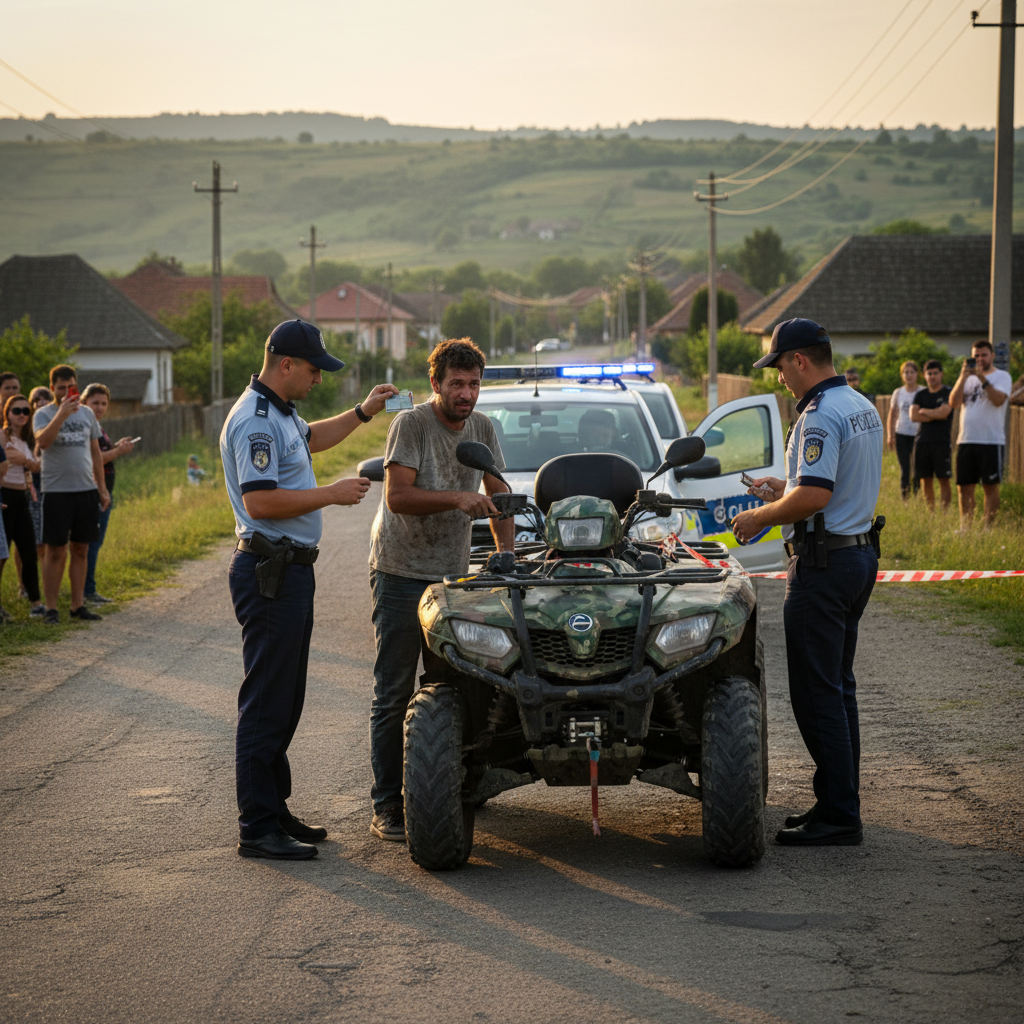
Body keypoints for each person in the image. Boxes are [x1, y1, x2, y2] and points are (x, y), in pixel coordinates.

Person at [221, 318, 397, 861]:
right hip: (269, 570)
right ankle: (257, 826)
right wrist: (331, 494)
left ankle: (274, 808)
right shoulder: (254, 420)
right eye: (315, 369)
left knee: (287, 697)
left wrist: (365, 411)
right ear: (286, 364)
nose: (319, 379)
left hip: (290, 570)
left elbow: (312, 438)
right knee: (267, 702)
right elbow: (261, 502)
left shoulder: (280, 413)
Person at [731, 318, 883, 848]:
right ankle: (838, 803)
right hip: (856, 554)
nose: (778, 379)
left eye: (778, 367)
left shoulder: (818, 417)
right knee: (838, 690)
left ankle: (839, 814)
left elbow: (815, 497)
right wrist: (784, 488)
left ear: (800, 360)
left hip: (822, 567)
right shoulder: (860, 405)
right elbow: (824, 487)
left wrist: (762, 516)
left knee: (818, 694)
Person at [367, 338, 513, 842]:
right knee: (394, 693)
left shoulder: (484, 428)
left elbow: (501, 497)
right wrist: (457, 497)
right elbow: (398, 496)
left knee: (461, 684)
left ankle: (454, 787)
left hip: (455, 576)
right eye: (456, 384)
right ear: (436, 384)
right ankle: (387, 803)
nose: (466, 393)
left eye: (474, 384)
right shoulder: (410, 425)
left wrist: (505, 558)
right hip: (402, 570)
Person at [33, 366, 110, 625]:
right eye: (62, 387)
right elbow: (42, 443)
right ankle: (51, 608)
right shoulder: (44, 414)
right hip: (56, 491)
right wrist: (62, 414)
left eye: (72, 387)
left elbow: (96, 453)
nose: (68, 392)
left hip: (85, 490)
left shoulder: (87, 414)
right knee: (55, 550)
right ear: (53, 387)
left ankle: (77, 605)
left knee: (81, 548)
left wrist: (101, 488)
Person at [80, 383, 135, 604]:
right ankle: (87, 591)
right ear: (84, 403)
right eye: (95, 403)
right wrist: (118, 451)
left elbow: (103, 452)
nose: (100, 407)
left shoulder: (98, 427)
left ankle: (87, 589)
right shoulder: (84, 427)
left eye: (104, 403)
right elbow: (93, 459)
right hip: (93, 492)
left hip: (104, 492)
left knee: (95, 543)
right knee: (91, 543)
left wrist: (116, 446)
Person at [949, 339, 1012, 528]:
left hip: (991, 440)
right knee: (964, 487)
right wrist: (962, 377)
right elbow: (954, 403)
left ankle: (988, 527)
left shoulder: (1002, 376)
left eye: (983, 355)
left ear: (992, 356)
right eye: (976, 355)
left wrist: (982, 379)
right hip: (967, 439)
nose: (979, 359)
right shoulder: (967, 379)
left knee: (990, 487)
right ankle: (965, 527)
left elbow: (999, 400)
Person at [0, 394, 43, 617]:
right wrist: (26, 461)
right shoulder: (2, 436)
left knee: (29, 551)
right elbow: (8, 457)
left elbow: (33, 465)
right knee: (2, 554)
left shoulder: (26, 440)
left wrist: (24, 460)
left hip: (23, 497)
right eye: (17, 411)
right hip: (5, 496)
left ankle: (35, 602)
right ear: (7, 413)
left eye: (26, 411)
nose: (22, 415)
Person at [910, 360, 953, 510]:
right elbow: (914, 416)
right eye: (929, 373)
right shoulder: (920, 395)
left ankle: (945, 512)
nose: (932, 376)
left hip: (941, 442)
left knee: (944, 479)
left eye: (935, 373)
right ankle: (931, 512)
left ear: (941, 374)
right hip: (922, 442)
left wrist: (925, 411)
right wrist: (935, 413)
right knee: (925, 479)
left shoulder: (948, 392)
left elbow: (944, 413)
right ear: (924, 375)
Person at [886, 360, 921, 499]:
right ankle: (905, 496)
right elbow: (892, 414)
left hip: (918, 433)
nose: (909, 375)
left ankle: (917, 494)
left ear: (917, 374)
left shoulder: (922, 391)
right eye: (906, 372)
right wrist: (890, 435)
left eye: (912, 372)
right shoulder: (898, 393)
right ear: (902, 375)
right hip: (901, 433)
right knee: (905, 468)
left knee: (917, 467)